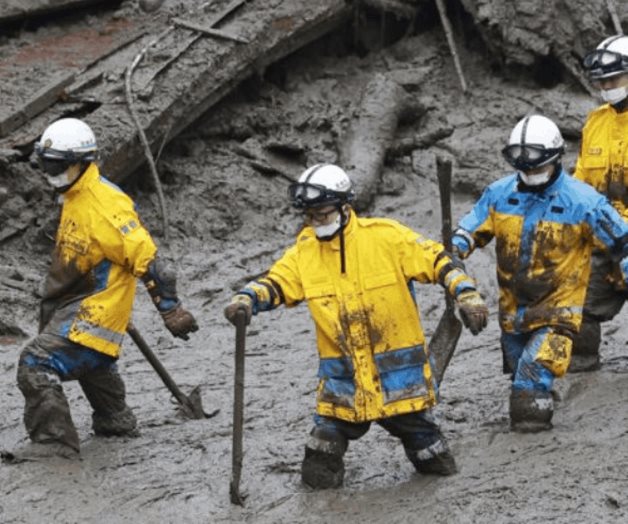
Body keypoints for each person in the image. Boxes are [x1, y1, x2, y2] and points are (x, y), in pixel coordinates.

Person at [224, 163, 488, 489]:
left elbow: (440, 261)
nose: (317, 222)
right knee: (318, 466)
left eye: (323, 213)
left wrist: (468, 296)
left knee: (432, 462)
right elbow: (276, 283)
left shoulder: (386, 237)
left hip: (400, 384)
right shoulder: (304, 252)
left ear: (344, 206)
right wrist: (246, 299)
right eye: (311, 216)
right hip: (343, 386)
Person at [2, 118, 198, 462]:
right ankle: (115, 422)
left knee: (35, 361)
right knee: (94, 363)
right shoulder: (74, 193)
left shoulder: (105, 205)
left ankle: (52, 445)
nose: (50, 172)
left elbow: (153, 263)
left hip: (90, 313)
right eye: (46, 164)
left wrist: (171, 310)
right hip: (77, 307)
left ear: (81, 161)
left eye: (58, 165)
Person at [451, 114, 628, 432]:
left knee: (529, 389)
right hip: (513, 313)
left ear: (556, 158)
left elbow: (623, 244)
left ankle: (532, 442)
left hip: (561, 313)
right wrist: (453, 255)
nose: (530, 173)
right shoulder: (499, 194)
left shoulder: (584, 202)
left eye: (538, 166)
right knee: (519, 369)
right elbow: (468, 232)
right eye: (524, 167)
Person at [572, 35, 628, 371]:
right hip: (601, 241)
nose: (607, 86)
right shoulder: (595, 121)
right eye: (601, 80)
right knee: (576, 302)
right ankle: (582, 361)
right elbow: (579, 186)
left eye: (614, 78)